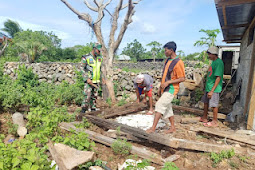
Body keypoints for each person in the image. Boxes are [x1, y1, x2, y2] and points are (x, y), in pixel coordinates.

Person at [146, 41, 185, 133]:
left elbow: (182, 78)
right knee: (167, 108)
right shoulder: (167, 61)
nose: (165, 52)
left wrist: (168, 82)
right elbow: (164, 75)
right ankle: (172, 127)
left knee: (159, 105)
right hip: (165, 88)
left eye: (166, 50)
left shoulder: (178, 62)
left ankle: (153, 128)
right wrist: (161, 87)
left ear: (171, 50)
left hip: (172, 89)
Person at [200, 46, 224, 127]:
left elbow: (218, 77)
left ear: (214, 54)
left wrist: (212, 91)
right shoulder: (213, 62)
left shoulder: (219, 63)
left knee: (214, 105)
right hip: (209, 87)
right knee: (206, 102)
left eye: (210, 54)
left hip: (214, 88)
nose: (208, 56)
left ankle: (214, 121)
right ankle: (204, 117)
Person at [80, 43, 103, 114]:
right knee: (87, 96)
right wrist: (87, 78)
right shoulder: (86, 57)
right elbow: (81, 68)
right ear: (94, 49)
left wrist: (102, 78)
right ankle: (83, 111)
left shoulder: (100, 58)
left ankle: (93, 111)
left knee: (94, 97)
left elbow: (100, 69)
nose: (99, 52)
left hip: (96, 81)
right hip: (89, 81)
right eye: (98, 51)